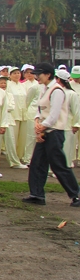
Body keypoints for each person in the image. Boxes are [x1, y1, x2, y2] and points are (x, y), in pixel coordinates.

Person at [23, 64, 80, 207]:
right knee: (37, 163)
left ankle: (76, 195)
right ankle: (36, 194)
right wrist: (37, 122)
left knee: (59, 165)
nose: (37, 77)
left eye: (39, 74)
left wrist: (42, 127)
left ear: (48, 75)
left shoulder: (57, 90)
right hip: (45, 131)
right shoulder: (44, 89)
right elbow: (40, 109)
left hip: (54, 132)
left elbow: (54, 115)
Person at [2, 66, 29, 169]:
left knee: (22, 139)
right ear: (10, 75)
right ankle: (13, 160)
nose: (17, 75)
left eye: (18, 73)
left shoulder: (23, 86)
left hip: (23, 115)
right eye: (14, 73)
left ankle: (19, 157)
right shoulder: (8, 85)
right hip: (13, 115)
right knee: (12, 139)